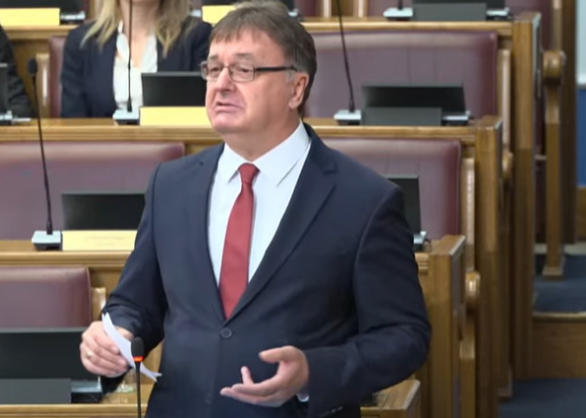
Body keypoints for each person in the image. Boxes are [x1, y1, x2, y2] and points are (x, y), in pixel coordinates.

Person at [79, 2, 430, 418]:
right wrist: (116, 334)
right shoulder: (171, 185)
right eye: (213, 69)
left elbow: (403, 336)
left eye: (243, 70)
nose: (221, 84)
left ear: (296, 88)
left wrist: (313, 372)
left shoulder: (364, 200)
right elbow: (137, 302)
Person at [60, 0, 211, 118]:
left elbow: (202, 113)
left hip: (172, 145)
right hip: (102, 147)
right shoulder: (82, 43)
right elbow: (73, 120)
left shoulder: (195, 37)